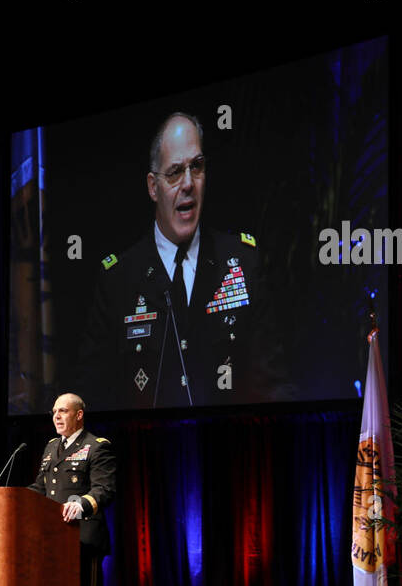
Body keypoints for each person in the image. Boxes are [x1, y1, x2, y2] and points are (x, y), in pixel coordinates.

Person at [79, 112, 289, 408]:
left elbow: (273, 389)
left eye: (197, 167)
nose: (188, 183)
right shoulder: (119, 280)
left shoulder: (243, 263)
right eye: (175, 172)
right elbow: (95, 398)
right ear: (153, 187)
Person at [27, 393, 116, 586]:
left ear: (79, 414)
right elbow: (41, 489)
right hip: (53, 540)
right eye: (54, 411)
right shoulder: (52, 447)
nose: (57, 416)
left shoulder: (96, 447)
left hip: (83, 538)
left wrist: (82, 503)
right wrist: (10, 499)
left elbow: (105, 489)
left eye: (63, 411)